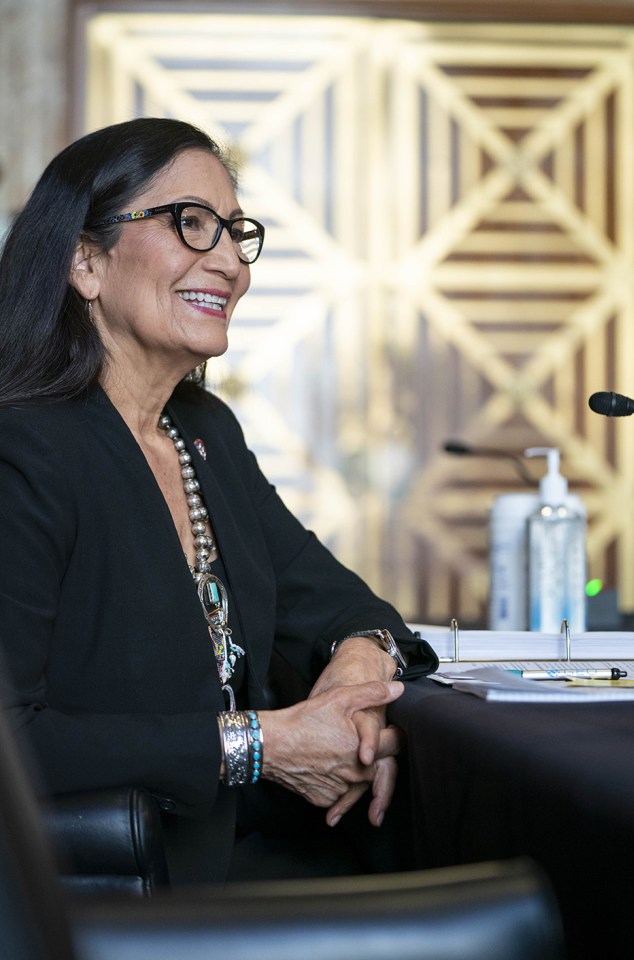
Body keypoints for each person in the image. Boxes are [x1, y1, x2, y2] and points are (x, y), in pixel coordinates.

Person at [0, 117, 437, 885]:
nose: (231, 260)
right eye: (191, 224)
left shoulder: (204, 434)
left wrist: (356, 689)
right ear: (84, 261)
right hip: (103, 885)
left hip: (242, 853)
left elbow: (342, 604)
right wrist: (262, 744)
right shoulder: (23, 448)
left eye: (236, 232)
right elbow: (13, 738)